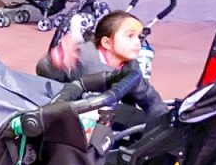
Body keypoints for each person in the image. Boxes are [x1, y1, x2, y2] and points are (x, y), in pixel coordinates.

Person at [34, 10, 167, 120]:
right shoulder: (83, 57)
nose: (138, 42)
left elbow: (149, 97)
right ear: (107, 43)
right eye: (130, 36)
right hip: (77, 120)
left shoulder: (131, 67)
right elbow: (45, 73)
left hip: (112, 120)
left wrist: (165, 120)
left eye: (139, 37)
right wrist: (55, 61)